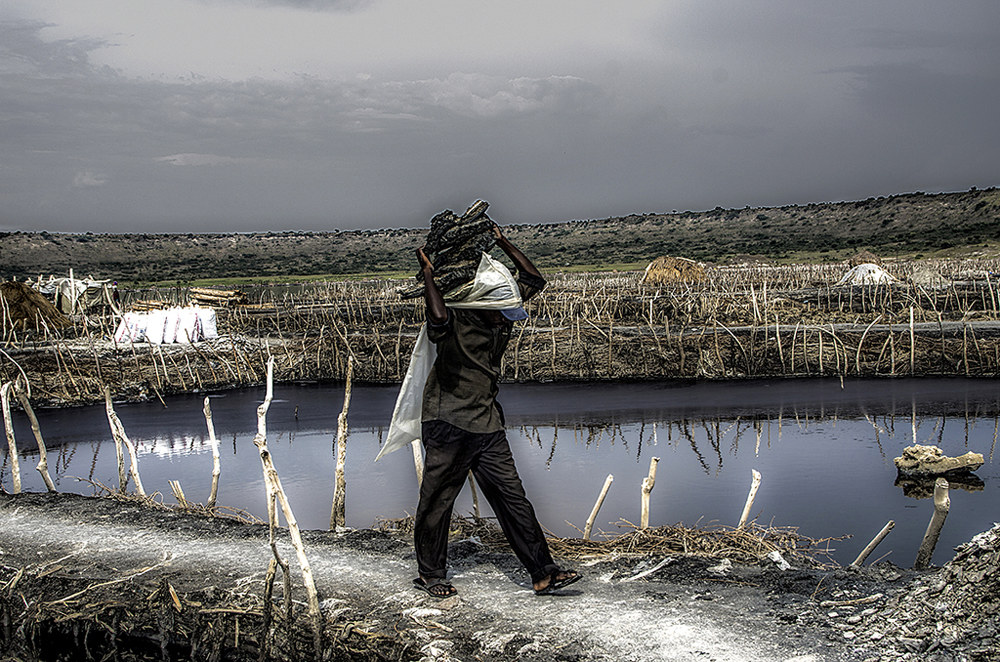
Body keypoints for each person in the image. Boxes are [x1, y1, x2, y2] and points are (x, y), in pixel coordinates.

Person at [412, 224, 581, 599]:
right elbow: (437, 318)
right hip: (447, 422)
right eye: (500, 312)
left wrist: (503, 242)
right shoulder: (457, 317)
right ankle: (430, 574)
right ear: (482, 305)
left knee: (513, 497)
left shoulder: (499, 315)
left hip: (487, 424)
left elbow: (533, 279)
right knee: (438, 501)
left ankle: (543, 572)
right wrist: (427, 273)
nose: (507, 318)